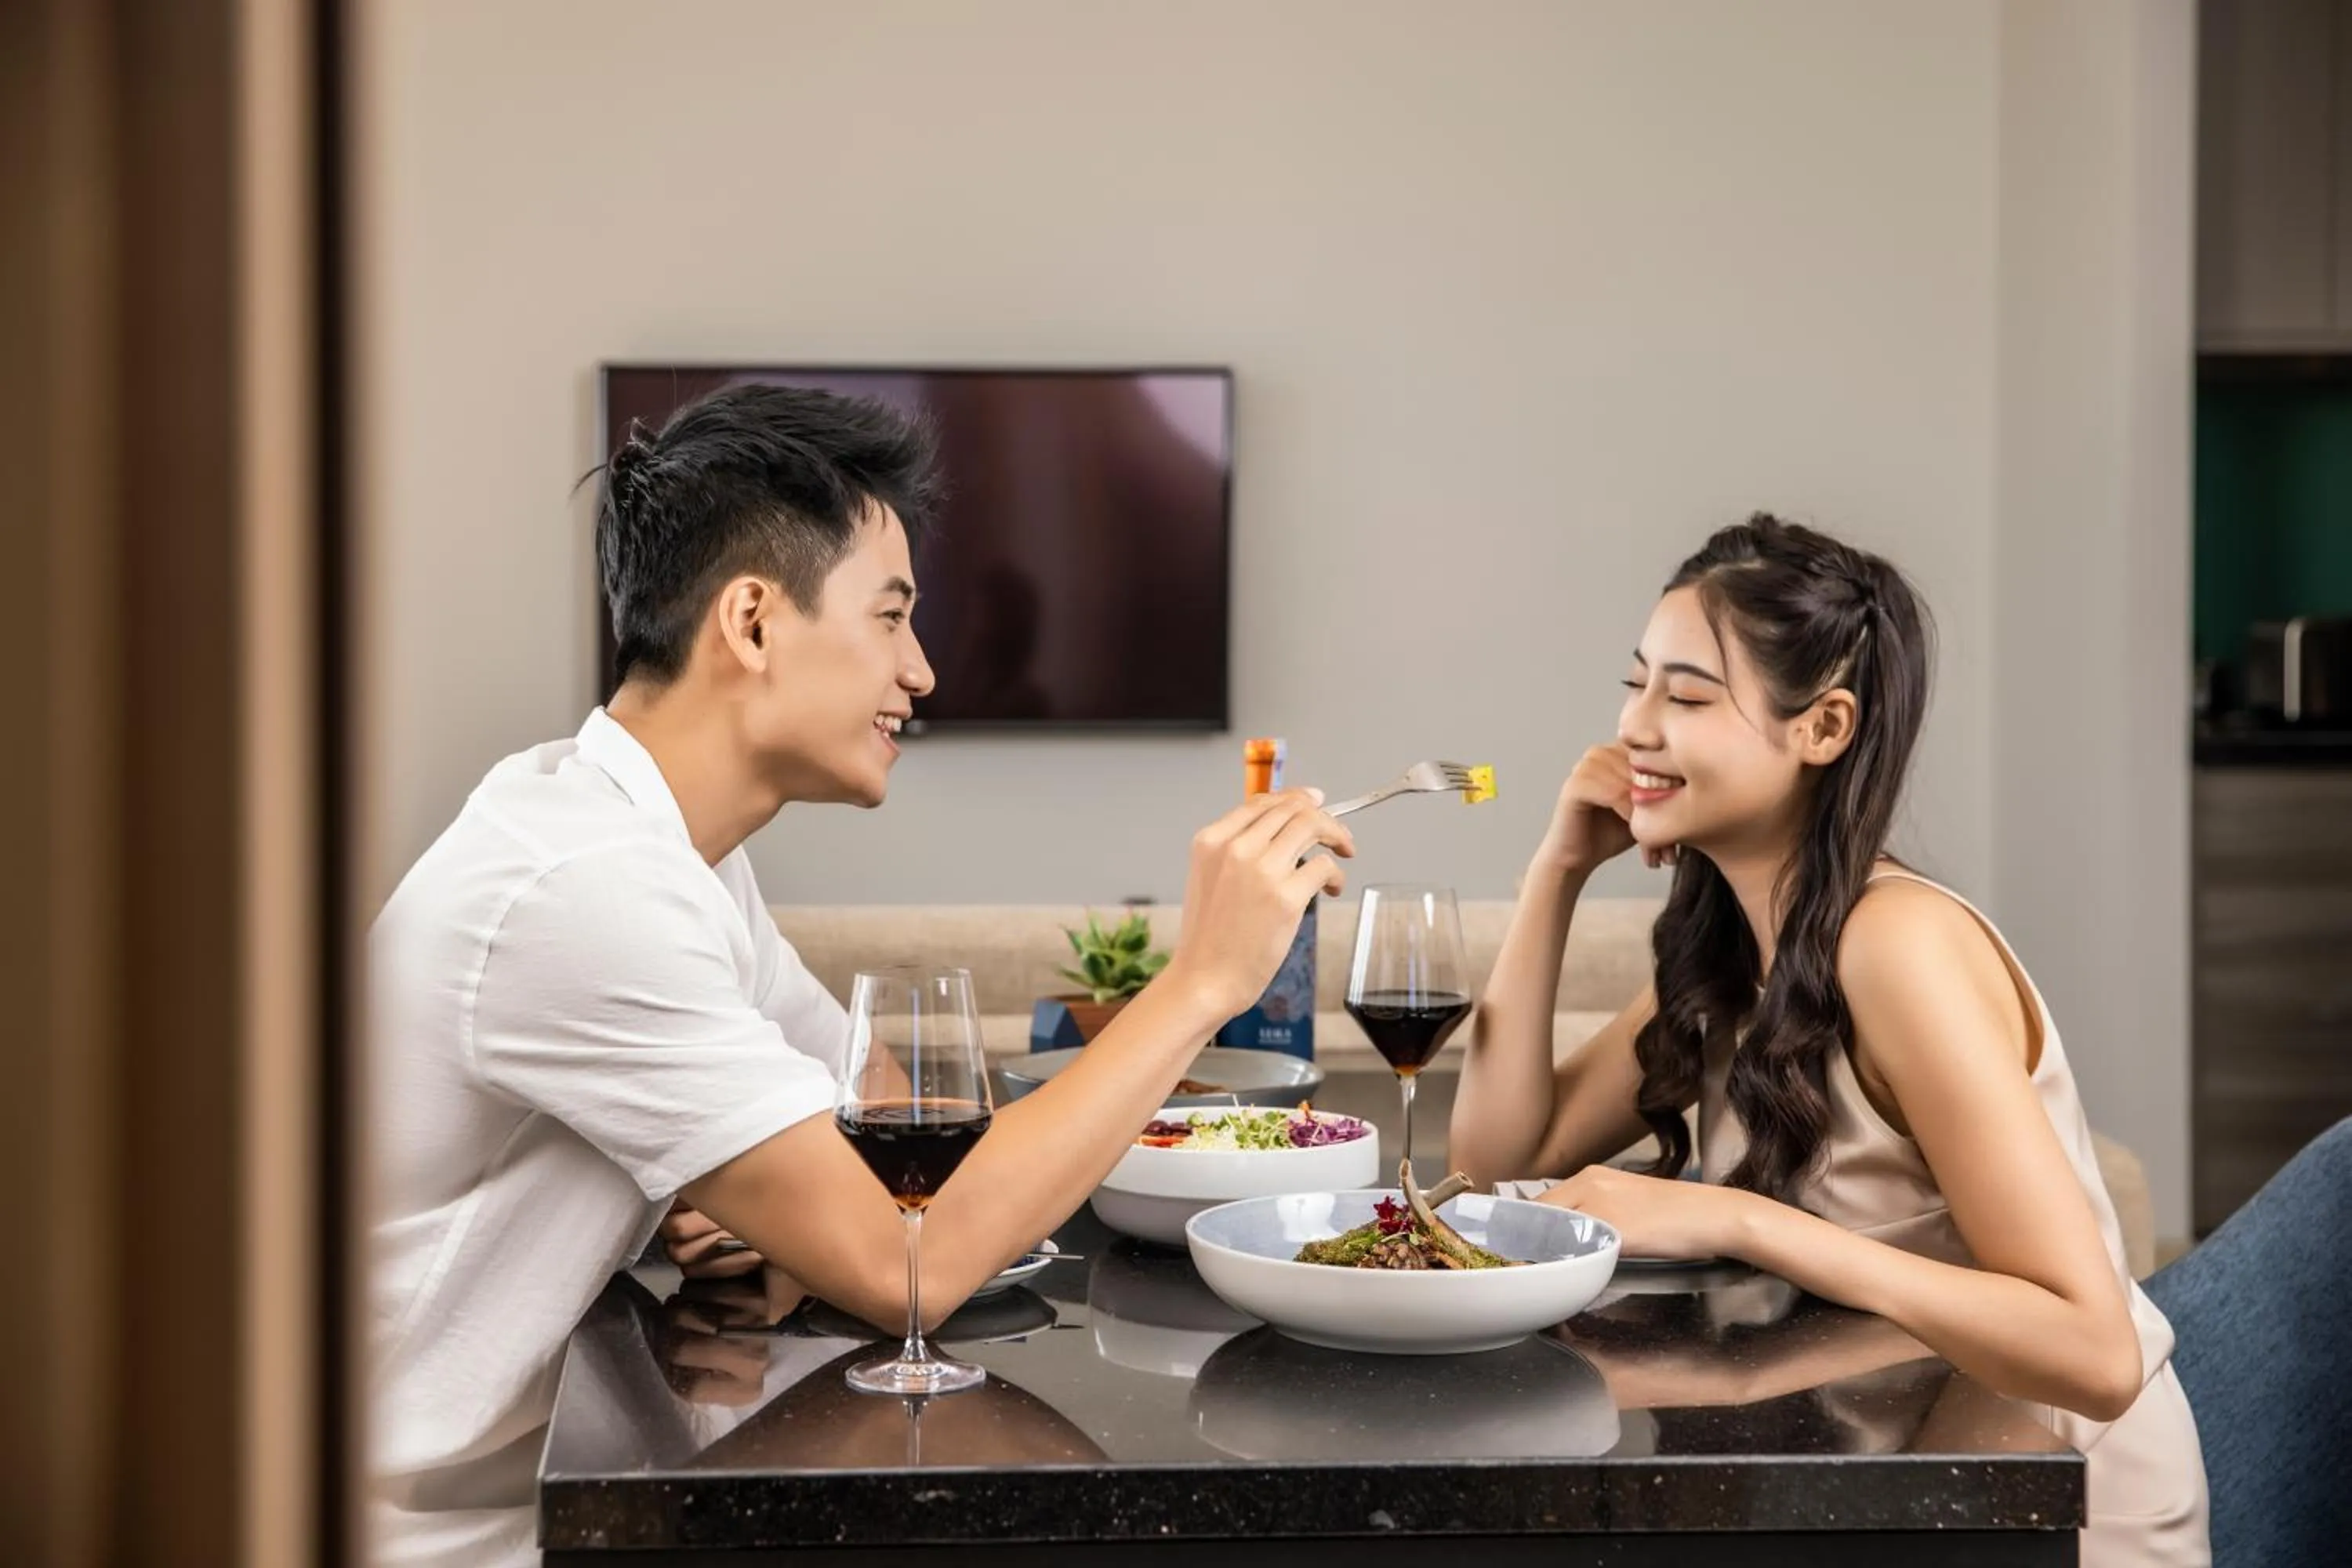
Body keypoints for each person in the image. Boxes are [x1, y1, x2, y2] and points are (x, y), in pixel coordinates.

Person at [368, 383, 1352, 1514]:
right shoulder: (587, 890)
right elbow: (907, 1263)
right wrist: (1202, 984)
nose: (922, 672)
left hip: (564, 1481)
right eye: (890, 616)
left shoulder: (656, 846)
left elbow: (887, 1129)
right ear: (752, 622)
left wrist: (782, 1201)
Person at [1449, 514, 2207, 1566]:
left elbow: (2094, 1351)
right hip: (1887, 1477)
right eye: (1635, 685)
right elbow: (1494, 1159)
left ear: (1825, 726)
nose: (1636, 726)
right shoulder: (1728, 952)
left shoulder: (1898, 946)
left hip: (2044, 1498)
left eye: (1688, 695)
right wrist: (1556, 870)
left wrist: (1739, 1224)